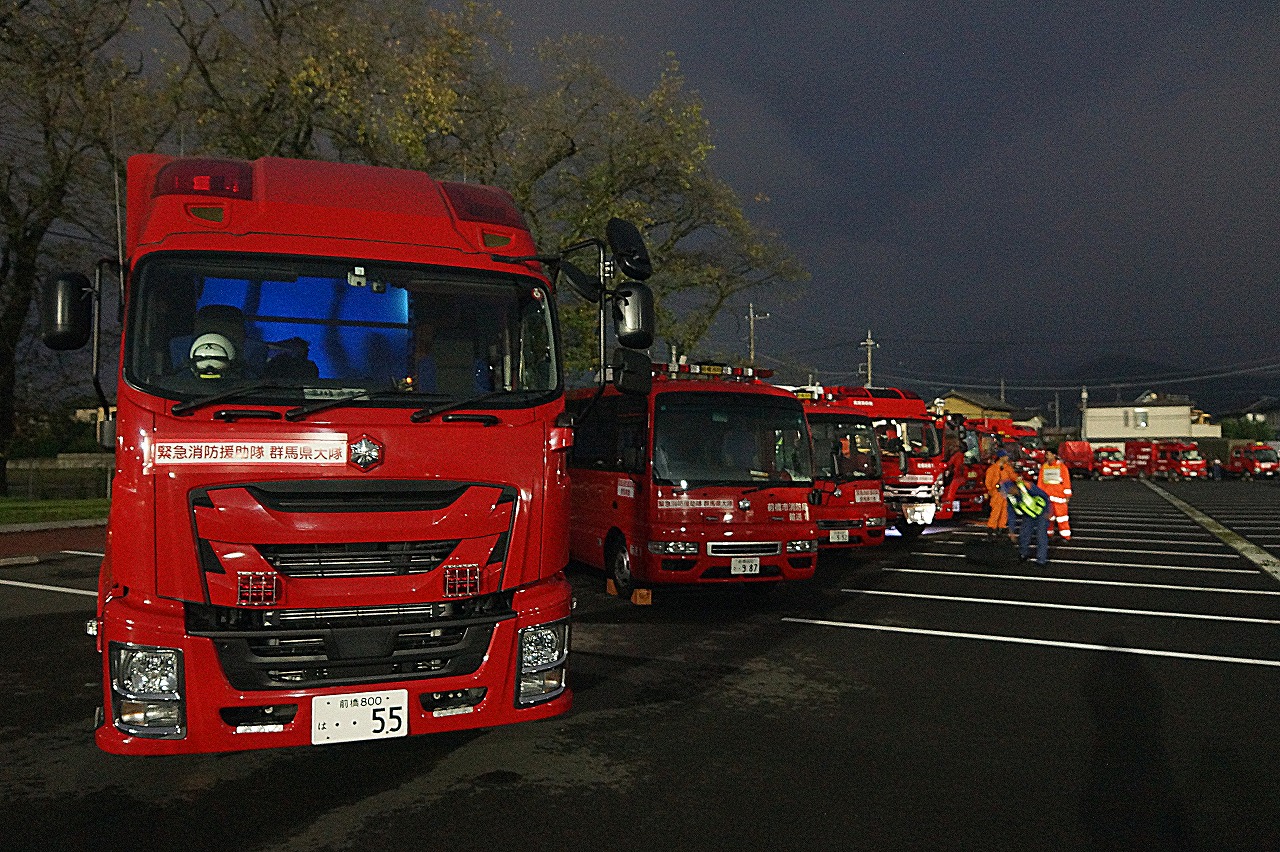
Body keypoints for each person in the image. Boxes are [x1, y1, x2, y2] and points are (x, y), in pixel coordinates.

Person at [1002, 477, 1051, 565]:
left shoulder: (1027, 486)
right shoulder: (1011, 498)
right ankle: (1023, 554)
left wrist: (1048, 511)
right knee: (1024, 534)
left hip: (1041, 513)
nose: (1007, 493)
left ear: (1013, 488)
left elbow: (1044, 496)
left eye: (1008, 491)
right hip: (1028, 515)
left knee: (1041, 536)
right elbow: (1011, 514)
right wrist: (1011, 531)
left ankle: (1041, 560)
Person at [1037, 448, 1073, 541]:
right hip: (1047, 497)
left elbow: (1066, 481)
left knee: (1062, 518)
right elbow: (1040, 482)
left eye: (1048, 454)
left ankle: (1065, 536)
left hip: (1059, 497)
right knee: (1049, 518)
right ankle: (1049, 534)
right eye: (1046, 455)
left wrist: (1067, 495)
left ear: (1054, 455)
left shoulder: (1061, 467)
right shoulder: (1044, 467)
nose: (1047, 457)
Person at [984, 449, 1017, 538]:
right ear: (1001, 457)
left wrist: (1017, 479)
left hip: (1005, 492)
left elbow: (1013, 476)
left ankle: (1001, 528)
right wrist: (992, 491)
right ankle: (991, 528)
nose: (1007, 458)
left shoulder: (1007, 468)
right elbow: (988, 482)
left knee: (1004, 511)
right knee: (996, 511)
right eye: (1006, 456)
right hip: (997, 493)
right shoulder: (992, 469)